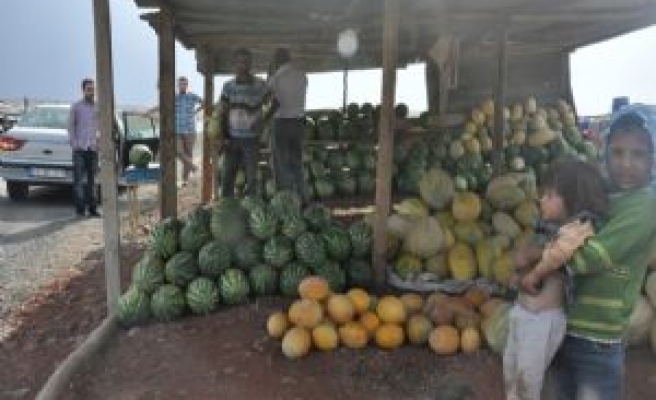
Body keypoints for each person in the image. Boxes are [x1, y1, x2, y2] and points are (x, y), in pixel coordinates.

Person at [519, 105, 656, 400]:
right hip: (568, 326)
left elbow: (591, 258)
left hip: (599, 340)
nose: (626, 164)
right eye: (617, 152)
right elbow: (566, 222)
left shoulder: (644, 207)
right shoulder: (604, 193)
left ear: (653, 159)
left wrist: (540, 257)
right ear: (605, 152)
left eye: (638, 155)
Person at [505, 158, 609, 400]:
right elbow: (532, 254)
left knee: (527, 381)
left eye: (550, 195)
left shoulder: (577, 229)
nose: (542, 199)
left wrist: (533, 274)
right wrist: (518, 274)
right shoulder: (546, 227)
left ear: (573, 202)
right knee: (511, 369)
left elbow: (557, 255)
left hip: (542, 322)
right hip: (522, 314)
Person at [219, 48, 268, 197]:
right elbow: (222, 110)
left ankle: (252, 207)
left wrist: (263, 120)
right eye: (240, 61)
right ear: (235, 64)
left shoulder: (260, 84)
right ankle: (226, 207)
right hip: (232, 138)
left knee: (252, 177)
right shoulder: (228, 86)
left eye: (246, 61)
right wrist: (222, 135)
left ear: (251, 63)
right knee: (228, 176)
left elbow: (275, 102)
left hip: (252, 139)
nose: (243, 64)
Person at [265, 47, 308, 200]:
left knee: (281, 164)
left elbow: (268, 96)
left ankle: (285, 201)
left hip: (281, 123)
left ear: (277, 60)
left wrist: (269, 74)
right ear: (289, 58)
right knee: (296, 162)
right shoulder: (302, 75)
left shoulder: (276, 77)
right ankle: (302, 197)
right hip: (298, 123)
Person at [68, 78, 100, 217]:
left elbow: (101, 126)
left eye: (93, 89)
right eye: (88, 89)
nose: (91, 92)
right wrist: (75, 145)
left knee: (93, 181)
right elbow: (70, 126)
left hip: (93, 149)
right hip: (80, 149)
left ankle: (93, 209)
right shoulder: (76, 106)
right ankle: (80, 210)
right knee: (79, 181)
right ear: (83, 90)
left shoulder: (98, 106)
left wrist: (99, 143)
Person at [174, 76, 203, 187]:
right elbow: (161, 105)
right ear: (178, 85)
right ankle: (193, 167)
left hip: (190, 129)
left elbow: (204, 102)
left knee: (188, 154)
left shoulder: (192, 96)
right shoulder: (175, 97)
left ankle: (184, 180)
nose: (182, 86)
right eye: (180, 84)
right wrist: (148, 111)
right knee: (178, 151)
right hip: (177, 130)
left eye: (184, 84)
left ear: (187, 85)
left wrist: (196, 111)